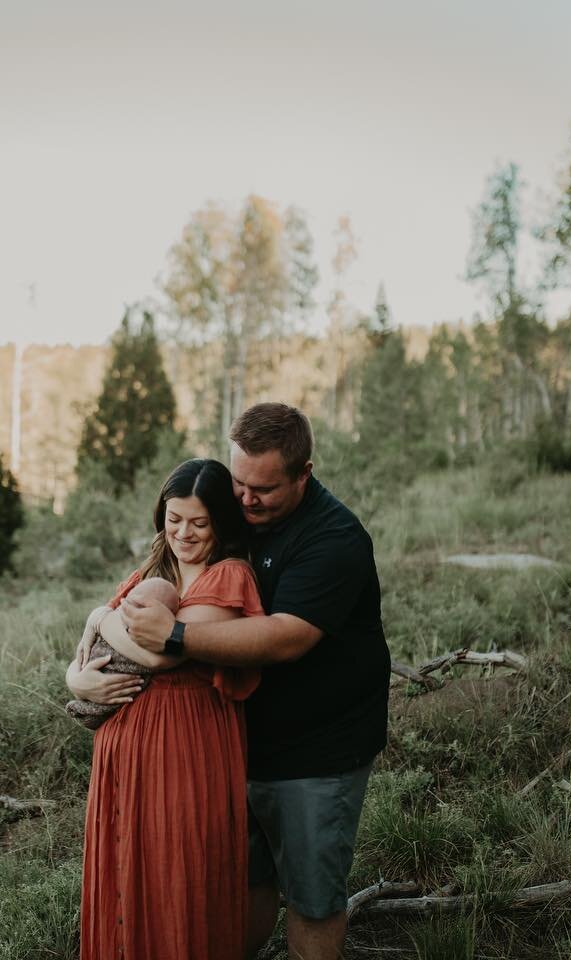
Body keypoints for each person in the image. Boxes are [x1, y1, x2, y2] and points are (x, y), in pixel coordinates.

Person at [120, 403, 389, 960]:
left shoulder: (334, 539)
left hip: (317, 751)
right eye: (238, 481)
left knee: (313, 901)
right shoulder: (237, 515)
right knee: (240, 883)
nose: (245, 500)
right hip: (233, 742)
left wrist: (175, 637)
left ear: (303, 474)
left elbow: (286, 637)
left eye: (262, 489)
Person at [65, 458, 264, 960]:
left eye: (199, 522)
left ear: (220, 520)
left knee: (178, 869)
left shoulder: (228, 577)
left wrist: (98, 616)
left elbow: (158, 652)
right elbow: (83, 658)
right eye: (174, 519)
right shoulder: (150, 574)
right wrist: (75, 679)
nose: (184, 533)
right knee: (126, 873)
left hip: (185, 748)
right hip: (123, 750)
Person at [64, 576, 178, 729]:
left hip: (154, 724)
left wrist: (99, 618)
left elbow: (158, 658)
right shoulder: (140, 578)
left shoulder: (202, 586)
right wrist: (75, 680)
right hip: (112, 731)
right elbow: (86, 650)